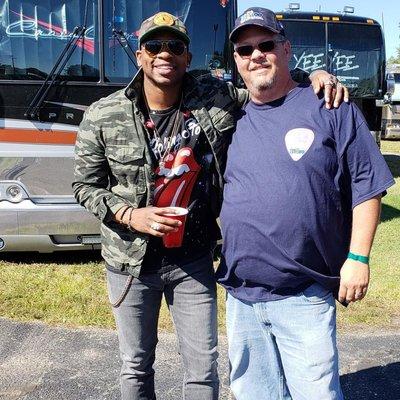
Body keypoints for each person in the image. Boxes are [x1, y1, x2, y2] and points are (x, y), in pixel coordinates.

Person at [73, 10, 346, 400]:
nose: (164, 53)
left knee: (203, 369)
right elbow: (84, 186)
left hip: (193, 260)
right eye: (154, 45)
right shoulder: (104, 113)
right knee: (135, 365)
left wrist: (316, 76)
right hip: (130, 262)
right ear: (139, 56)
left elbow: (267, 83)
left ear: (188, 57)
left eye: (175, 46)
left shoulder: (214, 98)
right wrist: (131, 214)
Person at [216, 7, 395, 400]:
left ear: (286, 48)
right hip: (241, 297)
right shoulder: (231, 115)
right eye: (245, 50)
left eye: (266, 45)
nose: (256, 55)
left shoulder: (330, 106)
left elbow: (368, 185)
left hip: (303, 296)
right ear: (236, 61)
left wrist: (359, 259)